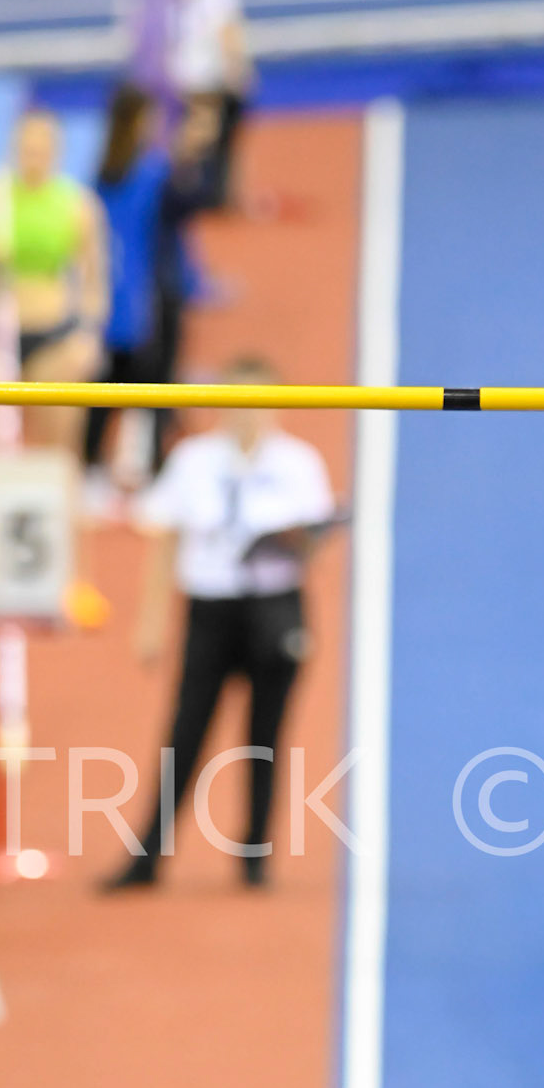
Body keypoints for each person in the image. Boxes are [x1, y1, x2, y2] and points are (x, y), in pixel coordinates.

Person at [100, 355, 336, 891]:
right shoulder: (194, 460)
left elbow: (314, 544)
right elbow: (165, 539)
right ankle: (148, 856)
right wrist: (151, 622)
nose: (248, 412)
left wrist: (296, 541)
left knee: (265, 736)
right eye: (238, 399)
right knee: (186, 732)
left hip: (274, 605)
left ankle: (254, 855)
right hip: (210, 609)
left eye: (261, 401)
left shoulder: (299, 463)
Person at [84, 82, 216, 486]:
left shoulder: (104, 175)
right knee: (149, 388)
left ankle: (98, 465)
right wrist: (191, 156)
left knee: (109, 389)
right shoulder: (146, 175)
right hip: (146, 301)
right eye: (151, 119)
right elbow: (197, 199)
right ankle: (143, 468)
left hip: (121, 300)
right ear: (136, 122)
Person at [0, 108, 107, 455]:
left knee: (60, 447)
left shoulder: (76, 204)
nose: (33, 158)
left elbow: (94, 280)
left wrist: (88, 335)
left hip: (55, 334)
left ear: (56, 152)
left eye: (41, 150)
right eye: (26, 149)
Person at [167, 0, 253, 208]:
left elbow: (227, 29)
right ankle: (179, 184)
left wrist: (235, 66)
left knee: (206, 133)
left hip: (203, 78)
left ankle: (198, 188)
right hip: (187, 79)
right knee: (201, 133)